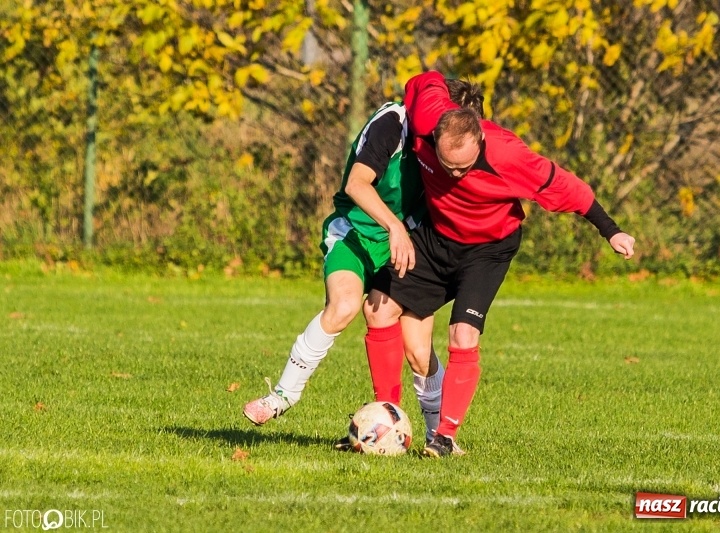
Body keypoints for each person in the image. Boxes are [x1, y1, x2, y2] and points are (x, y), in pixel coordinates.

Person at [361, 70, 636, 458]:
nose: (454, 175)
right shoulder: (427, 119)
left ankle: (445, 436)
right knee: (378, 308)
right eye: (446, 165)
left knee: (463, 335)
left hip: (488, 250)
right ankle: (385, 419)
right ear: (435, 138)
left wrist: (612, 232)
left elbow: (571, 190)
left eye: (464, 168)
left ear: (481, 141)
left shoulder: (509, 155)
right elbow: (427, 79)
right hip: (437, 237)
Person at [243, 83, 485, 444]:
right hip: (355, 233)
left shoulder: (452, 149)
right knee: (343, 306)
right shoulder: (393, 123)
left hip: (406, 246)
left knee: (419, 351)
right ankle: (282, 395)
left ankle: (436, 438)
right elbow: (357, 184)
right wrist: (394, 226)